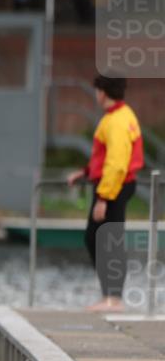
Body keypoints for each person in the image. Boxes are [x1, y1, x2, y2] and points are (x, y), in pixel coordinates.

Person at [67, 75, 144, 312]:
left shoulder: (117, 122)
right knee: (99, 239)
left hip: (114, 187)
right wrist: (85, 172)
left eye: (97, 91)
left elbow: (117, 164)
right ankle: (110, 296)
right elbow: (105, 158)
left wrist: (103, 199)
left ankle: (114, 299)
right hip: (114, 185)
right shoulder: (122, 115)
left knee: (106, 241)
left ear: (102, 92)